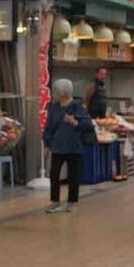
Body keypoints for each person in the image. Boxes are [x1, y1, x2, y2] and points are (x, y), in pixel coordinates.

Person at [41, 79, 92, 213]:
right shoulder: (54, 108)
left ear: (63, 92)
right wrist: (47, 145)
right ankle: (55, 201)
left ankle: (71, 201)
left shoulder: (77, 106)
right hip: (58, 146)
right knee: (54, 174)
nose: (54, 93)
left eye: (56, 90)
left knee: (73, 175)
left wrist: (74, 122)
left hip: (74, 147)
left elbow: (87, 125)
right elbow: (48, 128)